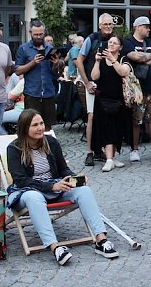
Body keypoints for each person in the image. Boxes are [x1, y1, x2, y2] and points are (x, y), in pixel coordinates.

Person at [6, 109, 119, 265]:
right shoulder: (14, 149)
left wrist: (74, 178)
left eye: (41, 123)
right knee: (34, 197)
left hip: (54, 187)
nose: (40, 128)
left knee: (84, 190)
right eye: (35, 125)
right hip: (26, 191)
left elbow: (62, 168)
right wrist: (51, 186)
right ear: (25, 128)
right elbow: (21, 180)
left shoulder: (50, 142)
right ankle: (55, 247)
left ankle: (101, 240)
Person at [121, 17, 151, 162]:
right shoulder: (128, 42)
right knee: (136, 120)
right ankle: (134, 149)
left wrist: (147, 58)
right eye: (146, 27)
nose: (148, 29)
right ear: (138, 27)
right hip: (137, 89)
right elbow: (134, 56)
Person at [75, 13, 116, 166]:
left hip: (108, 85)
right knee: (92, 117)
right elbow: (79, 61)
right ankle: (89, 152)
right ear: (99, 25)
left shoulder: (114, 40)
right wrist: (86, 83)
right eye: (105, 24)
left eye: (111, 24)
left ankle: (105, 151)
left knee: (108, 118)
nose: (108, 27)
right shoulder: (91, 39)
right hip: (93, 84)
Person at [90, 36, 132, 172]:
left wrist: (113, 60)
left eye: (115, 43)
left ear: (120, 47)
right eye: (110, 43)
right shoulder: (101, 59)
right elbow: (94, 77)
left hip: (118, 99)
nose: (111, 45)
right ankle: (108, 159)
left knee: (116, 129)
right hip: (103, 99)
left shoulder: (123, 59)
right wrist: (97, 61)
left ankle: (112, 157)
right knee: (107, 129)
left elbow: (123, 72)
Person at [14, 20, 60, 131]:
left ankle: (46, 146)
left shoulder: (50, 49)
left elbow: (54, 73)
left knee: (47, 126)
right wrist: (33, 62)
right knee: (31, 125)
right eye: (36, 35)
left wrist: (56, 65)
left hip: (48, 92)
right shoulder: (23, 49)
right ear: (30, 33)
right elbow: (17, 71)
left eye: (41, 34)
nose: (39, 37)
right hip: (32, 93)